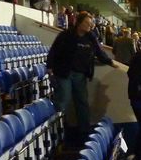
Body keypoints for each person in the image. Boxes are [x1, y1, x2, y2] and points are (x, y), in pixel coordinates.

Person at [47, 11, 116, 140]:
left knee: (82, 103)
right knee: (64, 100)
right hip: (64, 73)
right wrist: (49, 67)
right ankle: (57, 132)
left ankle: (84, 133)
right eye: (87, 23)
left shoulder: (91, 37)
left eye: (91, 24)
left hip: (80, 74)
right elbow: (54, 51)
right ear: (79, 22)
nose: (90, 26)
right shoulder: (66, 35)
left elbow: (100, 52)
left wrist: (110, 62)